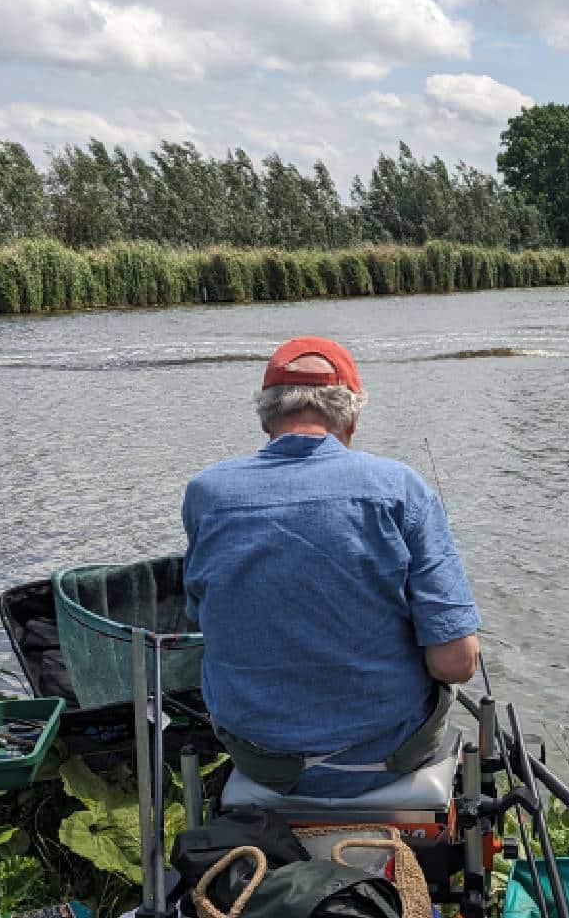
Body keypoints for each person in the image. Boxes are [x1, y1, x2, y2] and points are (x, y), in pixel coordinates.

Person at [181, 336, 482, 798]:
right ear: (352, 417)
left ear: (266, 419)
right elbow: (455, 662)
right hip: (388, 756)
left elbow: (202, 617)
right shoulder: (400, 488)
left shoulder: (208, 494)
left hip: (263, 760)